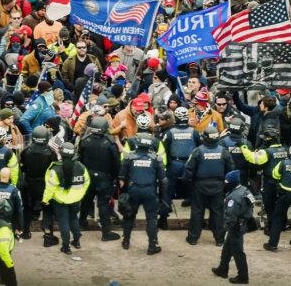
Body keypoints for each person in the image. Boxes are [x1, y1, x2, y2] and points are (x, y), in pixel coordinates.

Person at [184, 126, 234, 246]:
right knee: (218, 212)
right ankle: (219, 239)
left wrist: (189, 184)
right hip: (218, 185)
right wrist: (226, 185)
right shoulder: (224, 151)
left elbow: (188, 170)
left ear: (204, 138)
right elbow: (231, 170)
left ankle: (193, 238)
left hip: (199, 185)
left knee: (197, 211)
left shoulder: (197, 151)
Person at [119, 127, 166, 255]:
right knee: (151, 218)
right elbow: (163, 180)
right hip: (150, 191)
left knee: (129, 216)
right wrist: (163, 198)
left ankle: (126, 241)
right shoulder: (156, 158)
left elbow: (121, 178)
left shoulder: (129, 157)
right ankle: (152, 246)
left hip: (133, 190)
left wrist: (123, 194)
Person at [78, 116, 121, 241]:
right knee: (103, 205)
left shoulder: (85, 141)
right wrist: (115, 178)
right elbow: (116, 163)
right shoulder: (110, 143)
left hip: (88, 177)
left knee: (86, 201)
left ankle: (82, 223)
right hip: (104, 179)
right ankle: (106, 232)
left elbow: (80, 161)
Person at [42, 142, 90, 254]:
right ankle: (77, 241)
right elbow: (86, 182)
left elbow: (50, 187)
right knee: (74, 219)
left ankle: (66, 247)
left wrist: (45, 200)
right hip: (76, 200)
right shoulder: (81, 167)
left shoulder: (56, 169)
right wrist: (79, 195)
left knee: (64, 223)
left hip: (61, 201)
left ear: (61, 153)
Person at [239, 127, 288, 233]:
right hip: (283, 183)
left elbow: (253, 159)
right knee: (281, 206)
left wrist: (244, 148)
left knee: (270, 206)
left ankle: (271, 228)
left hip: (270, 183)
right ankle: (283, 225)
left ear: (269, 139)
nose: (264, 139)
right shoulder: (285, 149)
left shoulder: (267, 152)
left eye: (265, 138)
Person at [160, 106, 200, 229]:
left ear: (175, 118)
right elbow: (199, 148)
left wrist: (165, 165)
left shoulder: (169, 133)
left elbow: (163, 150)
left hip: (174, 163)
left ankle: (163, 220)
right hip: (190, 163)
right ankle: (196, 219)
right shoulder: (194, 132)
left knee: (168, 190)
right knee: (194, 190)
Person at [212, 170, 254, 285]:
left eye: (227, 182)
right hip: (242, 223)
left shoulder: (234, 197)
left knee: (238, 252)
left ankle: (243, 276)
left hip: (235, 226)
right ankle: (222, 269)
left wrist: (223, 228)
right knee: (227, 248)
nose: (225, 183)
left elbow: (231, 216)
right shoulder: (244, 190)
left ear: (232, 182)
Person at [19, 125, 57, 242]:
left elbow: (23, 167)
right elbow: (54, 169)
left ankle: (25, 232)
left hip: (29, 183)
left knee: (27, 209)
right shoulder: (50, 152)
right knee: (47, 209)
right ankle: (48, 234)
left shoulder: (26, 151)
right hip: (45, 185)